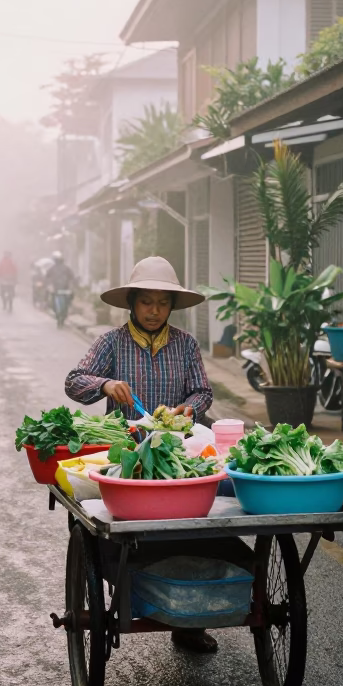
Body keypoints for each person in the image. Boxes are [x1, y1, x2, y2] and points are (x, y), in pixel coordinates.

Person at [65, 256, 218, 653]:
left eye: (163, 303)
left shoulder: (186, 345)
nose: (154, 311)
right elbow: (74, 381)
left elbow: (202, 392)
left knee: (192, 529)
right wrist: (105, 384)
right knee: (124, 534)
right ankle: (127, 590)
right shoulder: (111, 342)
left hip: (177, 457)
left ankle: (189, 619)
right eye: (146, 302)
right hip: (126, 457)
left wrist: (189, 409)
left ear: (172, 306)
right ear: (132, 303)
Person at [45, 251, 76, 323]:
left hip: (59, 289)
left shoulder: (53, 268)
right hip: (61, 289)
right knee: (66, 301)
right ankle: (62, 314)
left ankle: (61, 314)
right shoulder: (66, 268)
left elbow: (47, 277)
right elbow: (72, 277)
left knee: (54, 302)